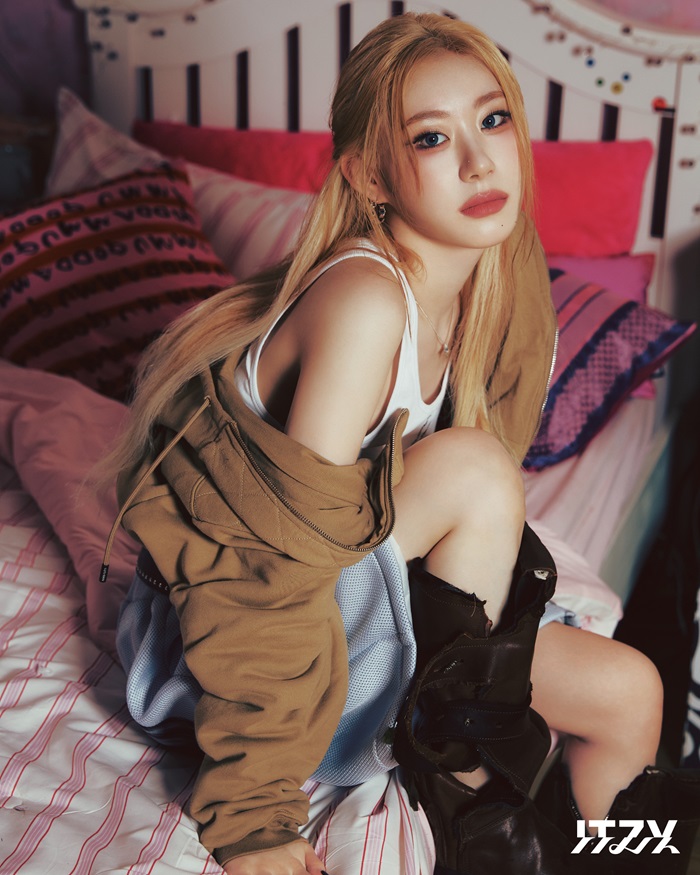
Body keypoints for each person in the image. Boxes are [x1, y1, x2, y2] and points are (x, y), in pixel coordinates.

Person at [103, 12, 697, 875]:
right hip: (242, 640)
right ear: (370, 174)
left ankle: (607, 858)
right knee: (473, 470)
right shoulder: (366, 301)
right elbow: (276, 568)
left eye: (492, 120)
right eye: (431, 138)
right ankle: (462, 782)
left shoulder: (498, 292)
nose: (479, 162)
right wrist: (253, 811)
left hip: (385, 607)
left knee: (633, 691)